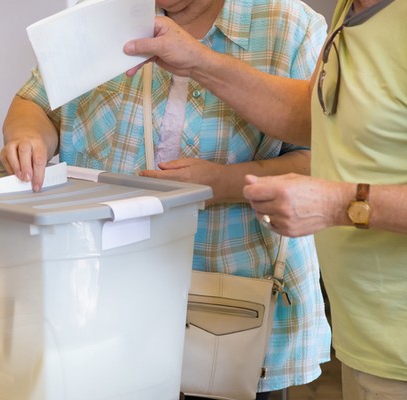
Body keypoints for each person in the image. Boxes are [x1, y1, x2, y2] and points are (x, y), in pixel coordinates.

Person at [1, 0, 332, 398]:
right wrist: (29, 137)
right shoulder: (104, 15)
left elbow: (325, 159)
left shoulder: (288, 26)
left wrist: (224, 183)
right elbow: (36, 101)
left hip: (234, 307)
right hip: (104, 300)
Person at [124, 0, 407, 399]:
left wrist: (336, 203)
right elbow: (312, 116)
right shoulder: (353, 9)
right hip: (366, 343)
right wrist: (199, 61)